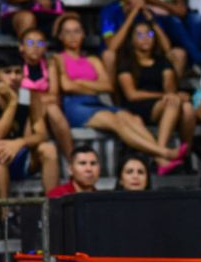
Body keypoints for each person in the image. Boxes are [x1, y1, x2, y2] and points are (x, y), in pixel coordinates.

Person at [52, 14, 188, 171]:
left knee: (134, 119)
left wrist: (79, 82)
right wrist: (91, 85)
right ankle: (163, 154)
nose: (73, 36)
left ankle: (161, 160)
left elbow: (107, 86)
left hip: (96, 102)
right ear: (60, 36)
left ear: (83, 34)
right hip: (75, 105)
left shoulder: (93, 60)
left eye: (76, 31)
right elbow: (66, 86)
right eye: (67, 32)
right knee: (115, 121)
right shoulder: (57, 58)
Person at [117, 20, 196, 175]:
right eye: (139, 34)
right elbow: (131, 94)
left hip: (162, 106)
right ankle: (163, 154)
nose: (146, 37)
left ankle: (173, 155)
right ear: (131, 39)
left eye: (149, 33)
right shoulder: (126, 61)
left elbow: (169, 88)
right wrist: (164, 95)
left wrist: (169, 91)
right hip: (137, 106)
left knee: (184, 106)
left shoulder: (162, 61)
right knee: (173, 100)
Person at [0, 51, 59, 198]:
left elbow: (42, 134)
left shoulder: (31, 96)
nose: (14, 77)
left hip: (20, 155)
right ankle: (4, 214)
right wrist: (12, 102)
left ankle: (52, 208)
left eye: (18, 72)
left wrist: (18, 143)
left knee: (49, 149)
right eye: (7, 72)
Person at [100, 0, 187, 80]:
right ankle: (110, 96)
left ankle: (172, 95)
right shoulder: (109, 11)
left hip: (144, 55)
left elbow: (166, 47)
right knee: (108, 55)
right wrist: (133, 13)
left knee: (179, 54)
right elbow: (112, 46)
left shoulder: (148, 11)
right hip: (121, 56)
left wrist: (150, 17)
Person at [18, 27, 73, 159]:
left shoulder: (50, 64)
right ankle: (29, 161)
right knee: (30, 114)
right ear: (21, 47)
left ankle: (72, 159)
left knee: (53, 109)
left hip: (45, 109)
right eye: (30, 43)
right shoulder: (16, 65)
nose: (36, 47)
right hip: (24, 109)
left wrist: (34, 98)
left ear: (45, 48)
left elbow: (54, 95)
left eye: (41, 43)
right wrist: (37, 99)